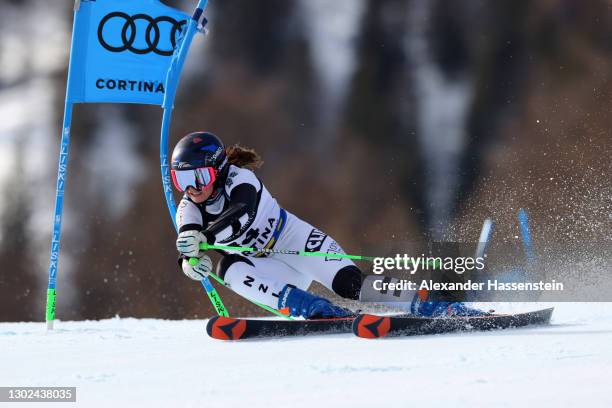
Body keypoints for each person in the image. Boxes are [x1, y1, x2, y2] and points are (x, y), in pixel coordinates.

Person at [172, 131, 484, 319]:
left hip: (292, 241)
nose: (191, 188)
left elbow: (242, 211)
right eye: (181, 179)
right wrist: (190, 262)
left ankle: (429, 304)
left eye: (198, 177)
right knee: (226, 267)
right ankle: (311, 308)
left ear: (219, 169)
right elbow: (189, 243)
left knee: (351, 285)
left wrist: (205, 237)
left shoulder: (242, 179)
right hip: (267, 268)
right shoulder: (188, 208)